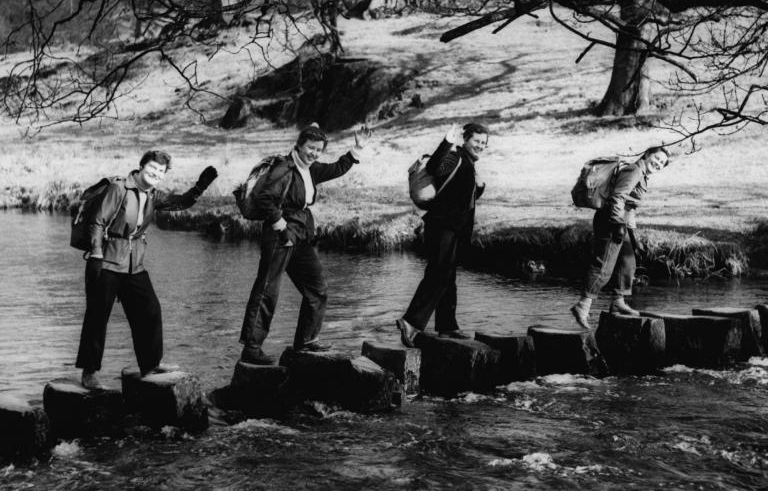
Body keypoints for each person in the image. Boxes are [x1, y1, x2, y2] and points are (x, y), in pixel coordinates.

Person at [76, 151, 218, 389]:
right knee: (97, 317)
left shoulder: (153, 194)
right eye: (152, 169)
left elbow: (178, 203)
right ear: (141, 167)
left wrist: (199, 188)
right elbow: (98, 221)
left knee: (150, 310)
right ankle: (89, 372)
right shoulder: (119, 189)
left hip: (134, 264)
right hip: (108, 261)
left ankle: (150, 365)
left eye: (160, 172)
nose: (155, 174)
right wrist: (97, 253)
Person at [238, 124, 370, 365]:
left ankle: (306, 342)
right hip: (280, 234)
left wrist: (358, 147)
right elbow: (264, 197)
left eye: (319, 150)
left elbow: (337, 168)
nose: (314, 153)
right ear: (299, 145)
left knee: (317, 289)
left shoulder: (311, 169)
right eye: (311, 148)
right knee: (268, 290)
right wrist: (280, 226)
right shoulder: (284, 168)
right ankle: (251, 348)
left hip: (301, 235)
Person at [395, 122, 489, 347]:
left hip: (453, 228)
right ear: (465, 140)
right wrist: (446, 142)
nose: (480, 146)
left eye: (484, 143)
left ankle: (447, 326)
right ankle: (410, 321)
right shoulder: (454, 157)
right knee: (439, 274)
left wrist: (480, 185)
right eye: (476, 141)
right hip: (442, 226)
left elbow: (463, 195)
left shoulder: (467, 162)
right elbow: (434, 166)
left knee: (447, 275)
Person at [570, 146, 671, 329]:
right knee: (604, 265)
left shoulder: (642, 174)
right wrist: (617, 224)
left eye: (662, 163)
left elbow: (629, 207)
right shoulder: (634, 171)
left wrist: (633, 237)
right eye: (656, 158)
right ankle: (583, 306)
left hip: (620, 221)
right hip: (610, 220)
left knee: (628, 261)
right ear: (647, 155)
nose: (658, 164)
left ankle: (618, 301)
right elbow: (618, 197)